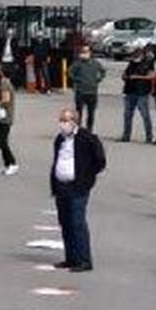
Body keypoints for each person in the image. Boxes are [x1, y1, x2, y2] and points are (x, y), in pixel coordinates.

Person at [50, 105, 106, 274]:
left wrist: (86, 177)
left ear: (75, 122)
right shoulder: (60, 139)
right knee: (65, 221)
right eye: (61, 120)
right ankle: (71, 257)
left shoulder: (87, 138)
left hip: (78, 186)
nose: (62, 124)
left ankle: (84, 259)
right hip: (61, 186)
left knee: (77, 222)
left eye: (66, 120)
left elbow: (100, 161)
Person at [118, 47, 155, 143]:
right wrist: (125, 76)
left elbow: (151, 76)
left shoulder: (148, 63)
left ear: (142, 55)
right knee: (127, 115)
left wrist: (137, 77)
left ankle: (149, 136)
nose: (135, 57)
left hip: (142, 92)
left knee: (145, 115)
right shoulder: (131, 63)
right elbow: (125, 74)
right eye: (134, 55)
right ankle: (126, 136)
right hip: (129, 91)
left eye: (136, 55)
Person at [69, 42, 105, 130]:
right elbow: (70, 72)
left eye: (86, 51)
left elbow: (103, 72)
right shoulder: (77, 63)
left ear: (90, 52)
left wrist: (98, 80)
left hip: (92, 92)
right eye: (82, 51)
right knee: (79, 112)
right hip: (80, 91)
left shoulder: (95, 63)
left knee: (91, 113)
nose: (84, 54)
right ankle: (78, 129)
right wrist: (77, 80)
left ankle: (89, 130)